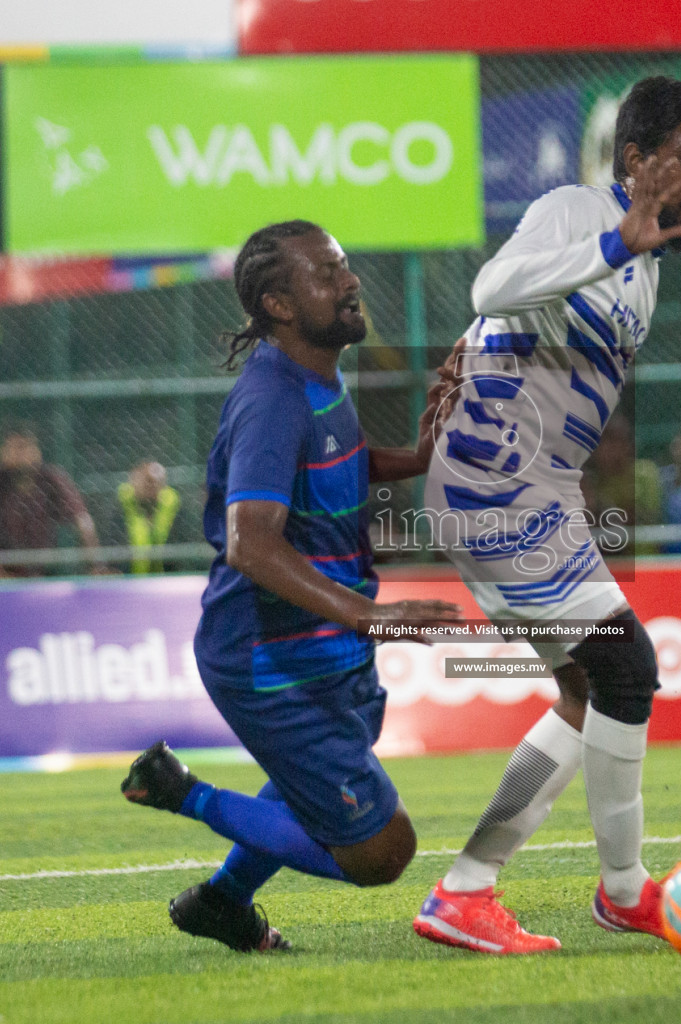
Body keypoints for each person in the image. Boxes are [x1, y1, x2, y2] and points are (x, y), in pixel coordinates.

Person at [413, 76, 681, 955]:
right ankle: (622, 891)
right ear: (636, 160)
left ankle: (468, 887)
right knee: (627, 666)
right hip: (497, 482)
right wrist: (608, 238)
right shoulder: (577, 209)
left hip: (533, 484)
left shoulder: (648, 268)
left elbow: (517, 343)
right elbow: (492, 286)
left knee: (590, 690)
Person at [120, 220, 461, 954]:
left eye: (345, 266)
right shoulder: (271, 398)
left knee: (327, 777)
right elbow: (251, 543)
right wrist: (372, 615)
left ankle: (222, 903)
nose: (350, 281)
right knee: (381, 852)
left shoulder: (317, 375)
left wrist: (418, 457)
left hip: (321, 642)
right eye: (328, 273)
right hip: (268, 657)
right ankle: (179, 789)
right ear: (278, 304)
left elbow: (337, 458)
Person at [0, 426, 103, 578]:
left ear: (37, 451)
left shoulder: (52, 478)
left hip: (39, 574)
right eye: (15, 448)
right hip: (1, 575)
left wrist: (97, 566)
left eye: (26, 447)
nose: (21, 454)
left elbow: (82, 520)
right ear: (3, 451)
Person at [584, 414, 661, 553]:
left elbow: (645, 516)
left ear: (627, 445)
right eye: (603, 444)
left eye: (615, 442)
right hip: (610, 559)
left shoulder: (645, 473)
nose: (608, 451)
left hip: (644, 559)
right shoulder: (594, 482)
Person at [116, 460, 184, 574]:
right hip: (129, 579)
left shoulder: (173, 507)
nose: (152, 486)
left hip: (166, 578)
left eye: (157, 482)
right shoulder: (121, 506)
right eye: (148, 481)